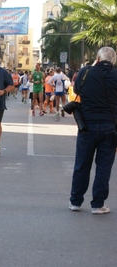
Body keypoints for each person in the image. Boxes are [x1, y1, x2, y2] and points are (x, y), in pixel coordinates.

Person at [69, 47, 117, 215]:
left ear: (97, 58)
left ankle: (75, 201)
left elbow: (76, 91)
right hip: (110, 126)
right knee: (104, 167)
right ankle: (98, 204)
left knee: (82, 164)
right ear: (114, 60)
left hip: (86, 125)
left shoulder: (86, 72)